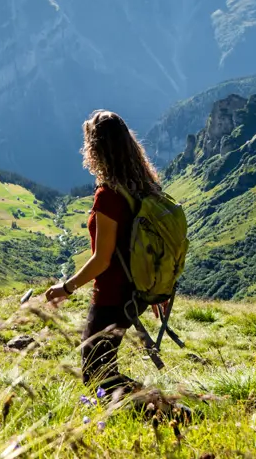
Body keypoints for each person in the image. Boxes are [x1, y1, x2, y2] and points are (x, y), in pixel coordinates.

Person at [45, 110, 163, 392]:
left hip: (113, 296)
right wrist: (158, 288)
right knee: (101, 368)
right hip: (137, 291)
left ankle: (172, 411)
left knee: (96, 373)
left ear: (96, 149)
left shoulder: (109, 195)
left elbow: (102, 259)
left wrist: (67, 287)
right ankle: (163, 409)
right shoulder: (144, 185)